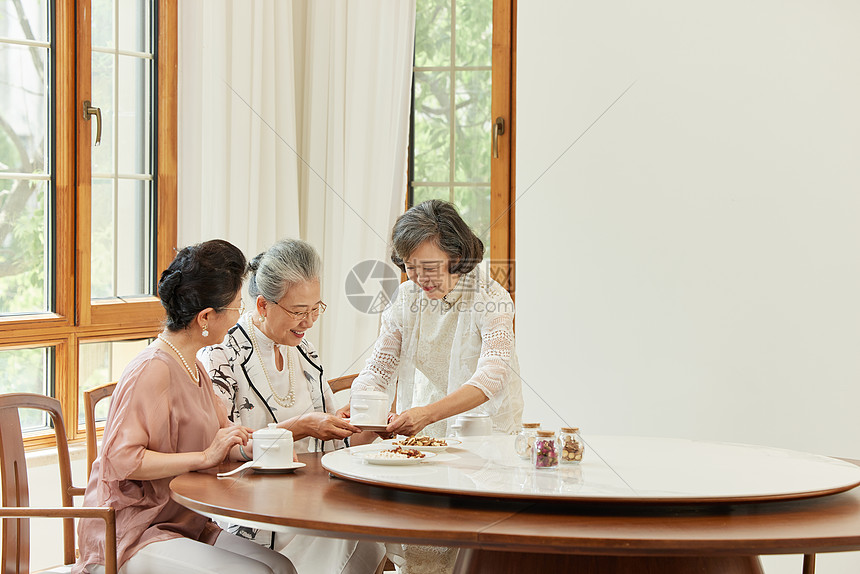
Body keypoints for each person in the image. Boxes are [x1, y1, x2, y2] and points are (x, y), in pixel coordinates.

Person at [74, 239, 295, 574]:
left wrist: (248, 449)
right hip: (134, 531)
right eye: (236, 307)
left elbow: (219, 443)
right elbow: (121, 459)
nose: (240, 317)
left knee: (280, 567)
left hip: (184, 523)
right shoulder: (152, 369)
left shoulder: (194, 367)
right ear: (206, 317)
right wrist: (204, 458)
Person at [346, 200, 524, 574]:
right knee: (419, 537)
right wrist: (361, 404)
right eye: (410, 268)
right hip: (425, 426)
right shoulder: (406, 299)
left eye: (429, 268)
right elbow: (379, 366)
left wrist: (426, 415)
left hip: (483, 430)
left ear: (456, 256)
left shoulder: (491, 298)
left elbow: (493, 374)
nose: (419, 278)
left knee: (468, 545)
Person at [200, 238, 385, 574]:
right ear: (262, 305)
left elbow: (334, 443)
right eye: (299, 312)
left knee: (369, 525)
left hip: (309, 499)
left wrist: (370, 426)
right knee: (347, 533)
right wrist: (300, 426)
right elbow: (219, 447)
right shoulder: (221, 355)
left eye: (316, 308)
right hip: (251, 509)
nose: (310, 321)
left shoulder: (305, 353)